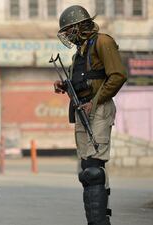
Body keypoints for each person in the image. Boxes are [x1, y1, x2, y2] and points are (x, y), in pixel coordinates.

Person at [53, 5, 127, 225]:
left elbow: (117, 76)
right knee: (87, 170)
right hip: (83, 109)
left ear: (78, 26)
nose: (66, 35)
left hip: (99, 108)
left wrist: (94, 103)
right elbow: (86, 80)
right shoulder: (81, 51)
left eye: (68, 30)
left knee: (94, 168)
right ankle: (96, 219)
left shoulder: (103, 42)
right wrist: (65, 86)